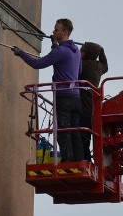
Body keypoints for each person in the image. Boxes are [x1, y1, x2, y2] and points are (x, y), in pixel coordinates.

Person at [12, 18, 84, 162]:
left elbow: (38, 64)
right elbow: (79, 70)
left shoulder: (61, 51)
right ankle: (80, 161)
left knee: (63, 133)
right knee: (75, 132)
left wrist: (21, 53)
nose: (53, 31)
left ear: (65, 32)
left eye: (56, 30)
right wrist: (54, 46)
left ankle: (68, 163)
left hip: (63, 97)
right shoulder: (76, 52)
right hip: (76, 98)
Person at [78, 42, 108, 161]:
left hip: (82, 106)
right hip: (91, 108)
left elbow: (70, 62)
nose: (80, 52)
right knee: (86, 136)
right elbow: (106, 64)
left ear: (88, 53)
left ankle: (83, 160)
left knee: (80, 137)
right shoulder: (98, 67)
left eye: (82, 51)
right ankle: (86, 160)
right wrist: (101, 50)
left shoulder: (83, 65)